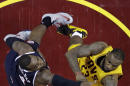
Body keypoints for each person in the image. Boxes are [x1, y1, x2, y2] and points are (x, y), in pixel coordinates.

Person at [4, 12, 93, 86]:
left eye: (37, 60)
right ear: (32, 69)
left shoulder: (24, 50)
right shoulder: (41, 77)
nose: (40, 62)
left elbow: (8, 38)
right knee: (35, 52)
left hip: (11, 62)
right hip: (17, 80)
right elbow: (62, 82)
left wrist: (10, 39)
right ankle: (22, 36)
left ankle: (48, 19)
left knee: (32, 45)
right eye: (37, 65)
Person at [56, 24, 125, 86]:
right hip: (86, 62)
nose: (109, 67)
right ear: (108, 54)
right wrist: (78, 74)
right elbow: (70, 54)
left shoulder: (110, 80)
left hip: (94, 82)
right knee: (74, 48)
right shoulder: (101, 48)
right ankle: (77, 33)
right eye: (109, 62)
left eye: (114, 66)